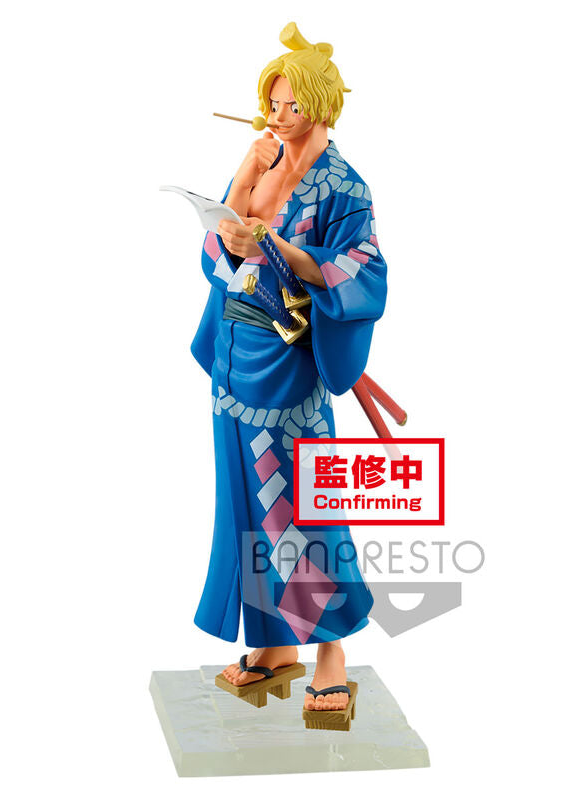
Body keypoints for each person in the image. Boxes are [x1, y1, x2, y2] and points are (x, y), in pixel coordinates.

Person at [190, 22, 387, 713]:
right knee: (247, 503)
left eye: (291, 105)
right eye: (271, 104)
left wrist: (281, 251)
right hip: (235, 352)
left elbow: (360, 273)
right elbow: (216, 256)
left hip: (292, 358)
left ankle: (331, 651)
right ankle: (276, 643)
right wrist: (244, 182)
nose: (277, 116)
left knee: (303, 502)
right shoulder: (263, 160)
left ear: (322, 105)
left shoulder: (345, 188)